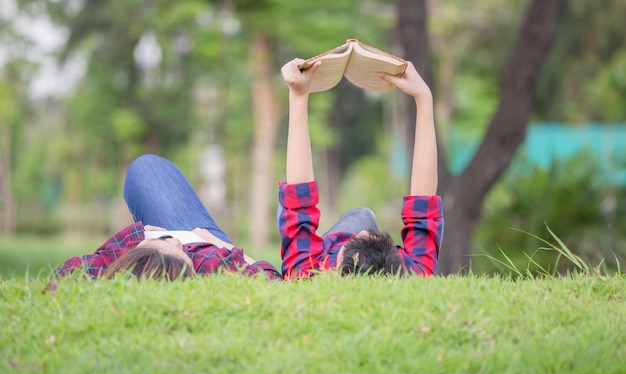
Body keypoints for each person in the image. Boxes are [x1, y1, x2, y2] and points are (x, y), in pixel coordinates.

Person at [277, 58, 444, 279]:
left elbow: (298, 198)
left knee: (361, 216)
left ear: (334, 263)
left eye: (354, 239)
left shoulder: (307, 270)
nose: (363, 232)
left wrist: (298, 95)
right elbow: (424, 200)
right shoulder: (411, 273)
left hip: (325, 251)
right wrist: (424, 98)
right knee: (363, 215)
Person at [55, 154, 282, 281]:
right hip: (203, 239)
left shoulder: (102, 269)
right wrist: (219, 243)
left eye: (161, 241)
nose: (174, 239)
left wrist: (134, 239)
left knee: (146, 168)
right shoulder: (212, 263)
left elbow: (65, 275)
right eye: (179, 249)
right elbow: (273, 280)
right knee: (147, 169)